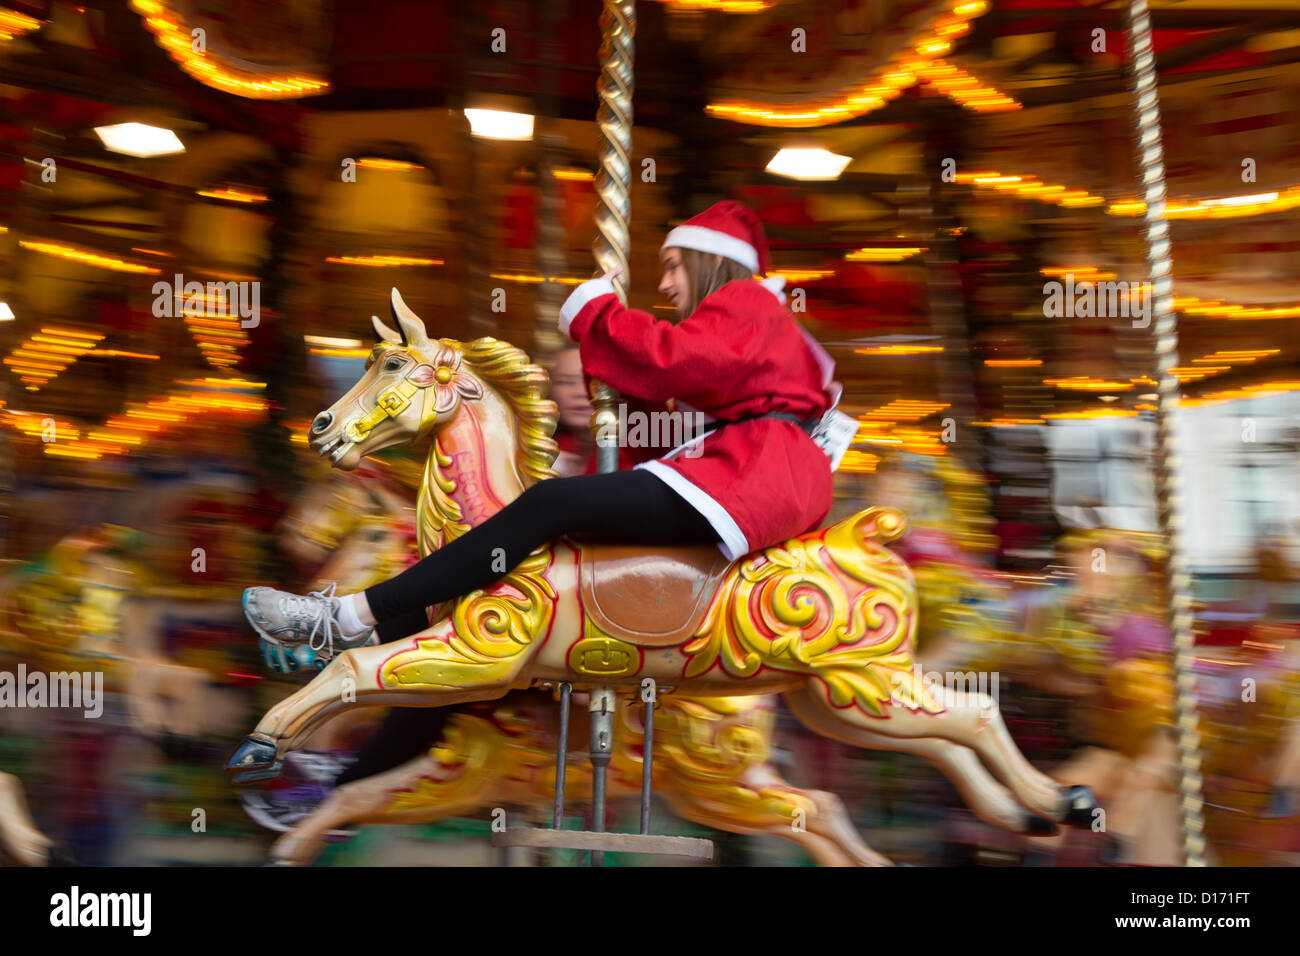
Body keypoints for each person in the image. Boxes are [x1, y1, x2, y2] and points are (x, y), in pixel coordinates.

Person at [243, 200, 843, 662]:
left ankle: (351, 616)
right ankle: (396, 629)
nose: (664, 286)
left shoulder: (746, 304)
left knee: (551, 504)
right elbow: (668, 409)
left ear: (711, 262)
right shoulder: (753, 326)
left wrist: (597, 314)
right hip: (753, 469)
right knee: (557, 514)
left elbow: (669, 361)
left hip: (754, 472)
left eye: (671, 266)